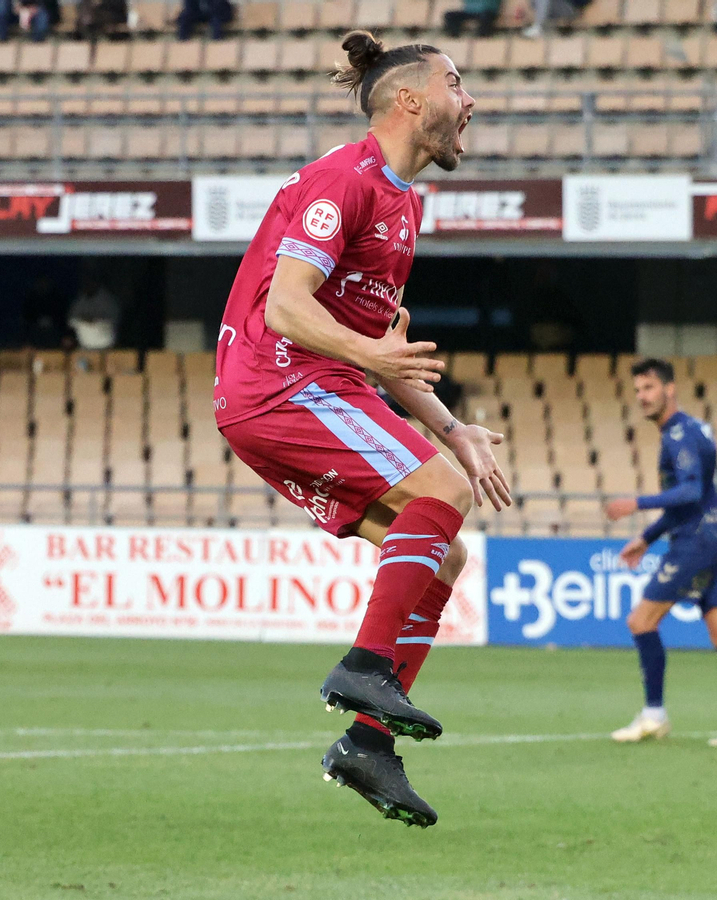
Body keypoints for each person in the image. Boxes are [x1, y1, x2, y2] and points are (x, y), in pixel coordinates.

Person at [215, 31, 506, 828]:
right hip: (281, 381)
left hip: (313, 386)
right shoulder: (342, 180)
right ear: (410, 100)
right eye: (456, 82)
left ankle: (368, 744)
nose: (470, 99)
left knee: (445, 549)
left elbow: (379, 355)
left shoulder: (405, 202)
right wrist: (382, 365)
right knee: (443, 490)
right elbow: (286, 306)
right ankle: (365, 666)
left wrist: (455, 429)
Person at [604, 359, 717, 747]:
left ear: (669, 389)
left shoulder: (679, 435)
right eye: (638, 390)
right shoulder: (692, 430)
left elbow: (690, 492)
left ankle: (654, 715)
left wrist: (636, 503)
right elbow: (697, 498)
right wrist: (648, 537)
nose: (642, 396)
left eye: (649, 388)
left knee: (641, 621)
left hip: (698, 541)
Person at [68, 278, 120, 350]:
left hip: (105, 346)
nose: (88, 285)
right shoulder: (80, 301)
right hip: (85, 346)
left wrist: (94, 320)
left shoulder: (108, 300)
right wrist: (85, 320)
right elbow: (71, 321)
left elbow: (113, 320)